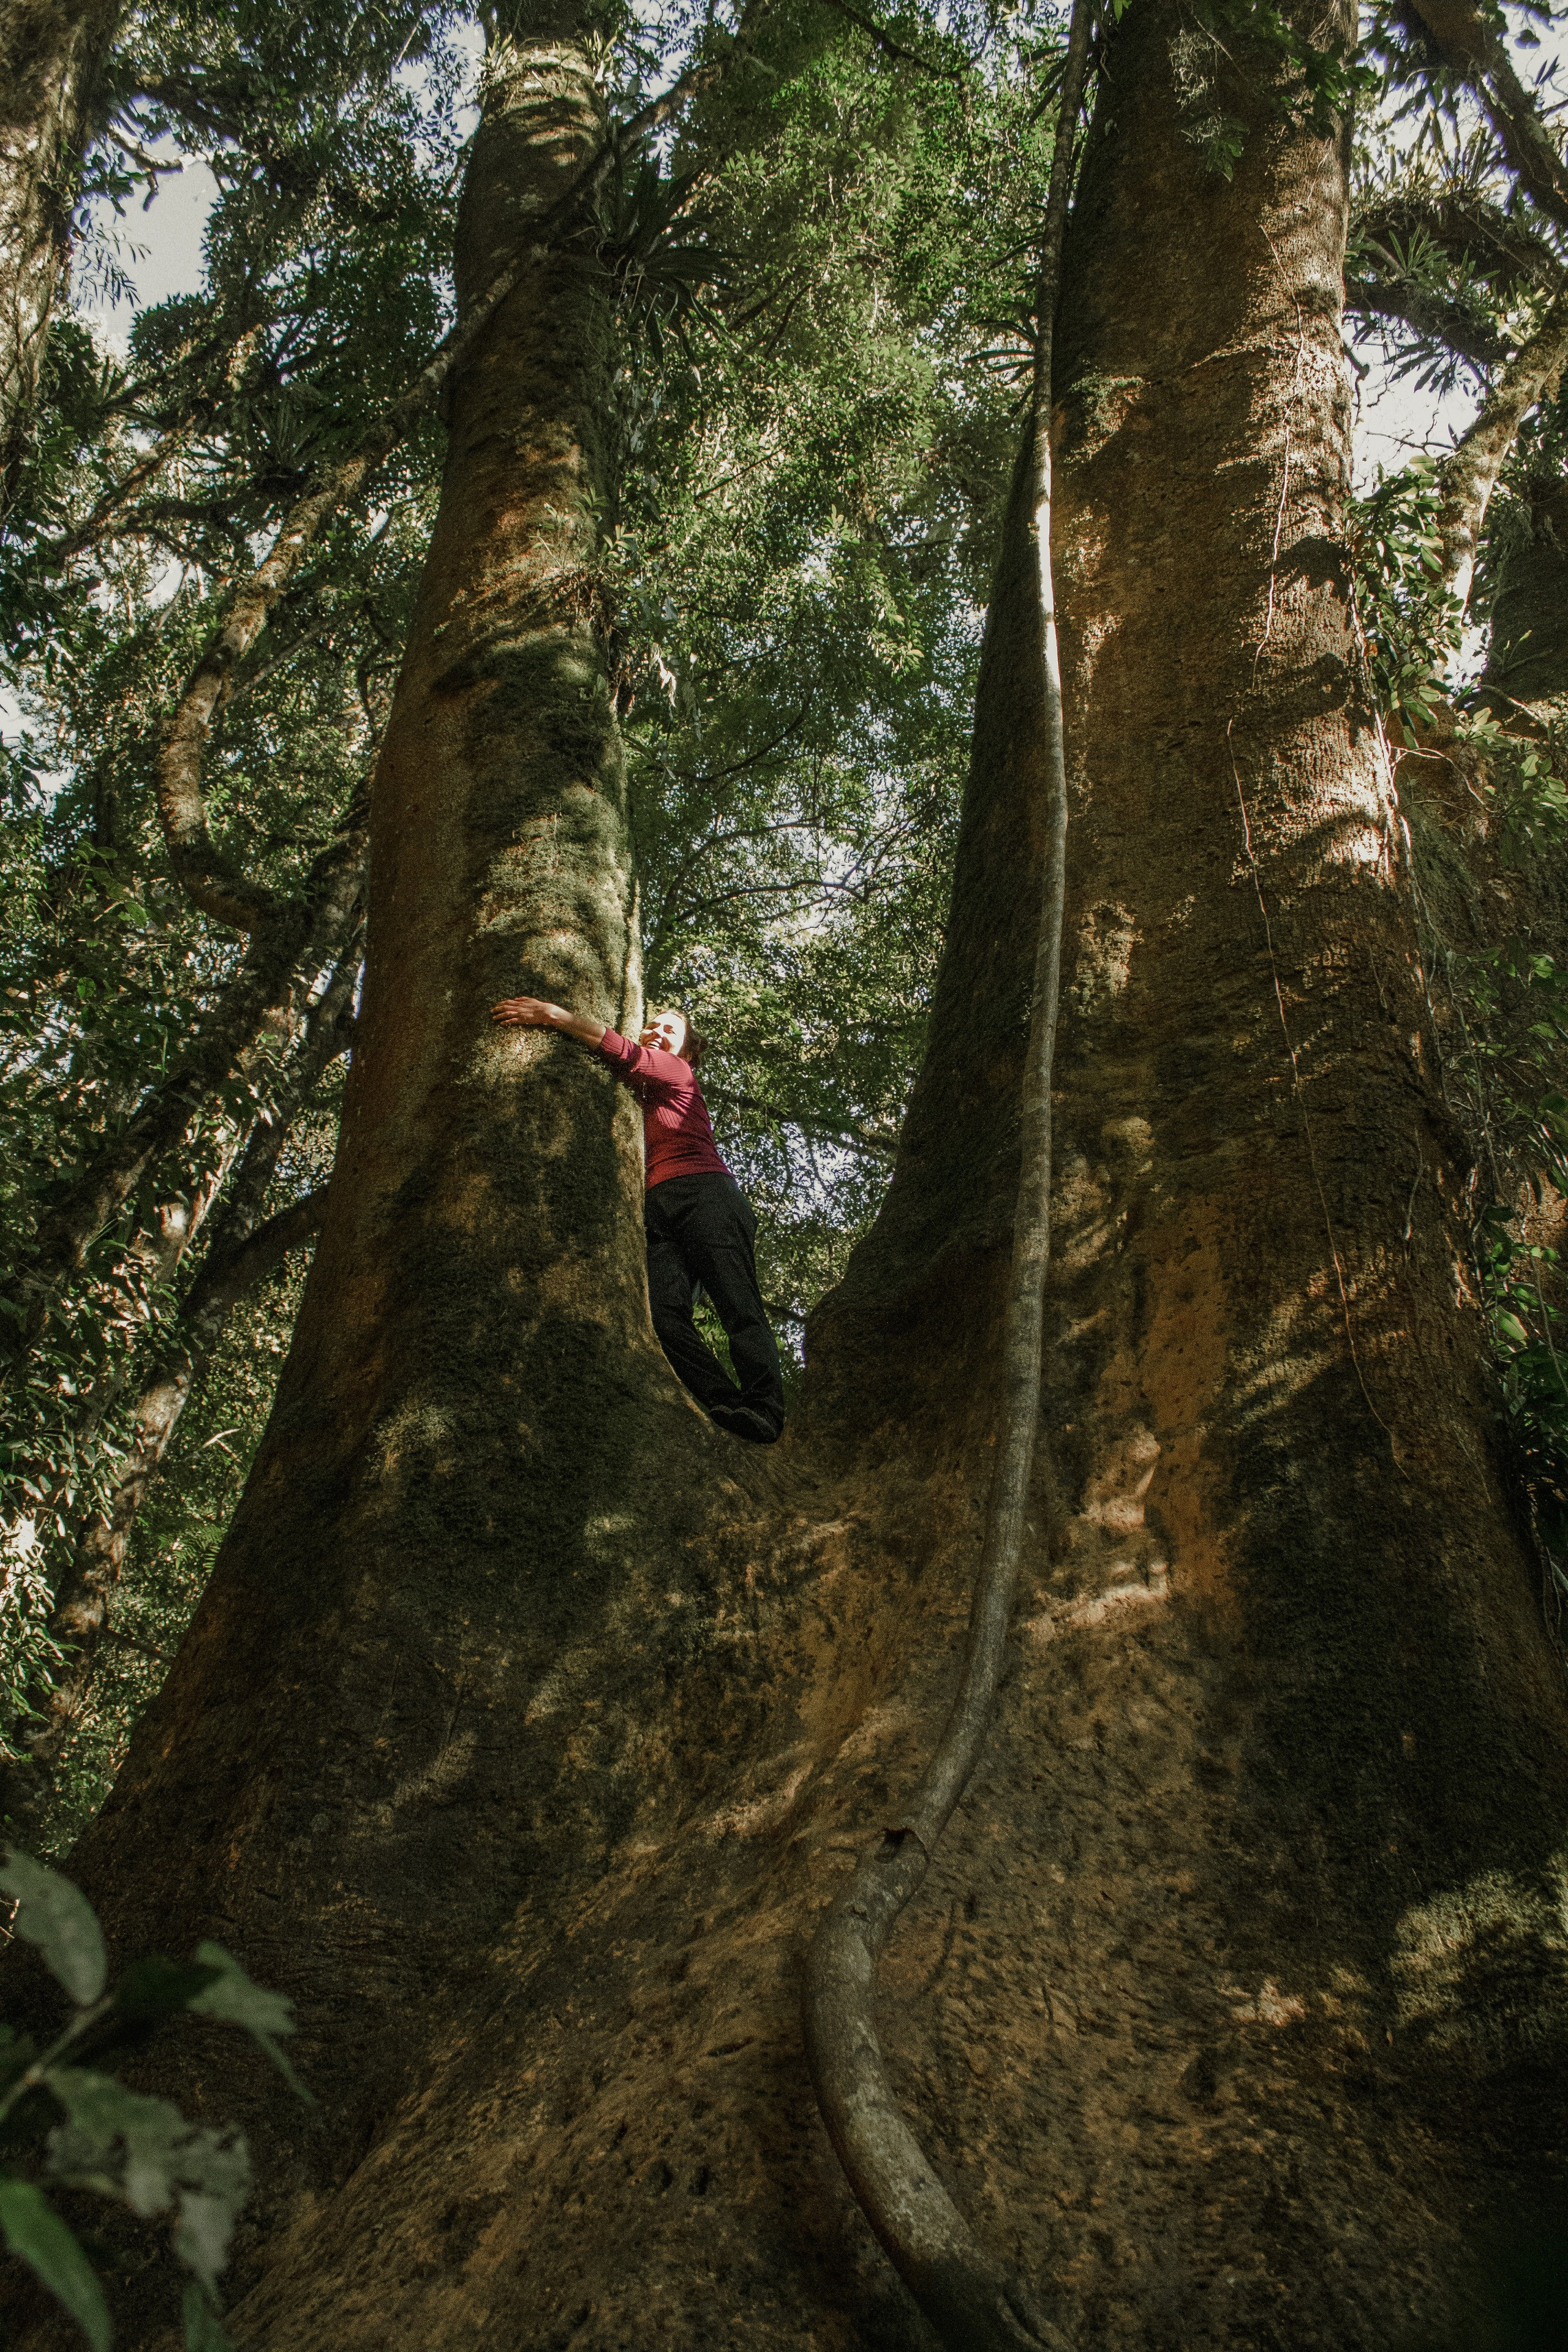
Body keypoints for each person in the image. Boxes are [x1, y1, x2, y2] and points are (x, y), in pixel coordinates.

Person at [490, 993, 785, 1444]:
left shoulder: (677, 1071)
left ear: (687, 1051)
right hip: (655, 1209)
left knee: (737, 1305)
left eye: (670, 1030)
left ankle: (765, 1409)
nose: (658, 1033)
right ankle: (723, 1400)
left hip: (705, 1192)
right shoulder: (636, 1089)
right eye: (652, 1025)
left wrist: (552, 1015)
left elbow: (622, 1049)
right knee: (662, 1317)